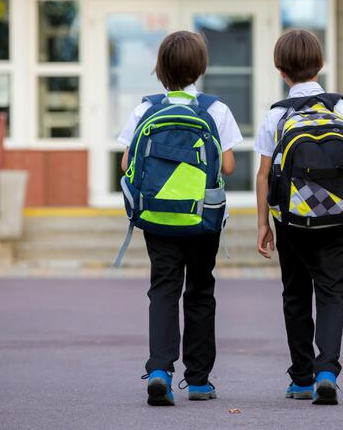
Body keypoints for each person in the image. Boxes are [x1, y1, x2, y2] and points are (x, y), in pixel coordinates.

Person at [254, 29, 343, 405]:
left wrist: (263, 224)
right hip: (337, 217)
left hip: (291, 219)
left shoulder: (276, 115)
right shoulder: (342, 109)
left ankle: (301, 379)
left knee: (295, 293)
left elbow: (263, 175)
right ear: (321, 65)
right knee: (331, 290)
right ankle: (327, 370)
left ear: (281, 71)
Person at [117, 30, 242, 406]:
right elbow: (229, 166)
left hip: (157, 217)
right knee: (200, 291)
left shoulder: (145, 110)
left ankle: (159, 370)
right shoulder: (215, 110)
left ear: (160, 70)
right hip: (202, 219)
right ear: (201, 68)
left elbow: (126, 163)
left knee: (163, 289)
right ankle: (199, 381)